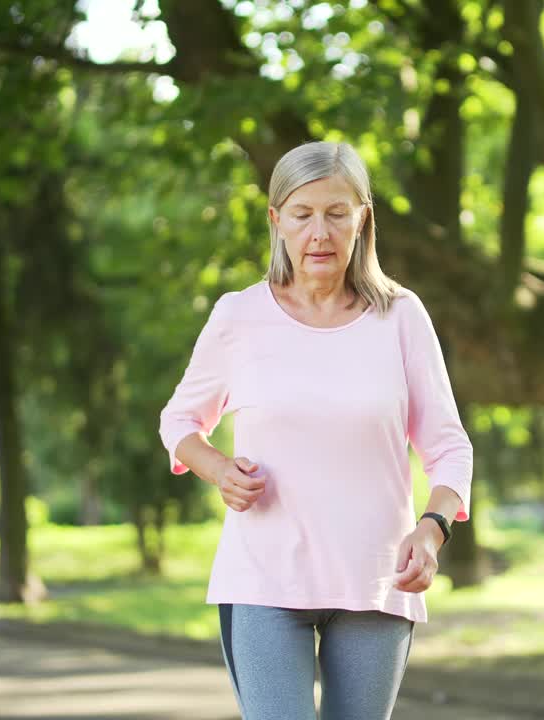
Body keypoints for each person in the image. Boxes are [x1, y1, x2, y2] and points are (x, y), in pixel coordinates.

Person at [159, 141, 473, 719]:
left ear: (363, 219)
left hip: (377, 584)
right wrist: (219, 469)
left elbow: (449, 447)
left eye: (337, 213)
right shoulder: (238, 316)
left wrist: (432, 531)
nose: (320, 233)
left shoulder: (401, 317)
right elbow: (179, 420)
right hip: (263, 580)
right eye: (303, 215)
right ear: (277, 221)